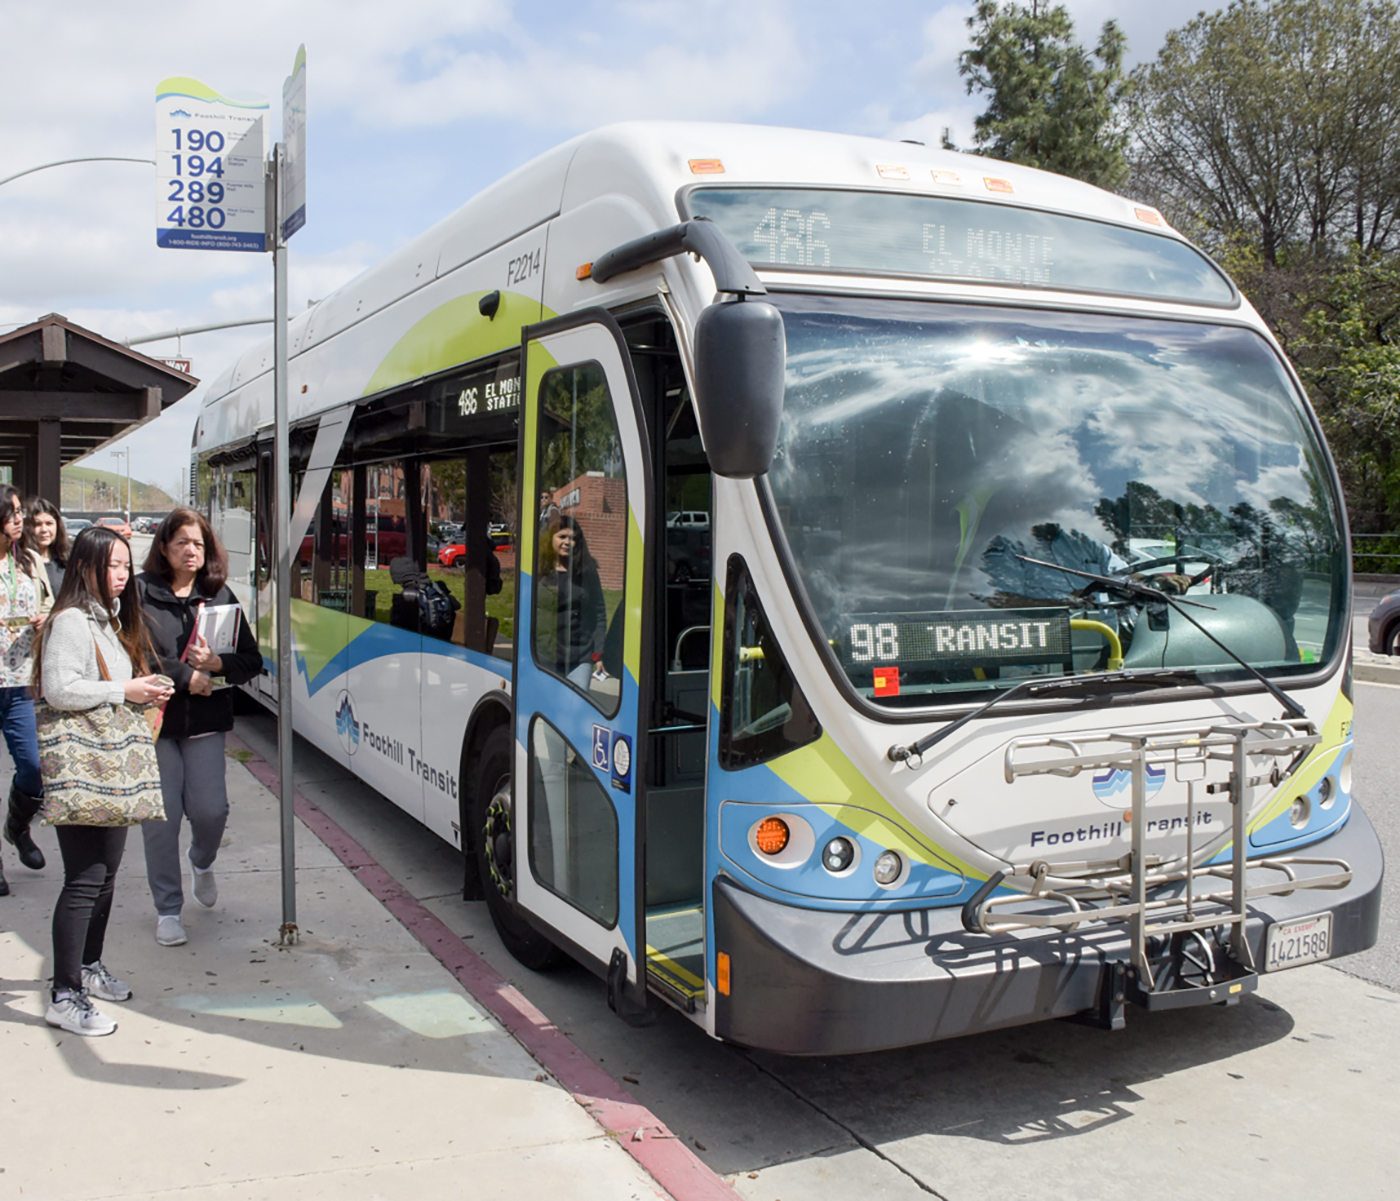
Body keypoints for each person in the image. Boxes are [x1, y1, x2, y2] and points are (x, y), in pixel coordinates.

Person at [34, 527, 172, 1035]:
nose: (122, 575)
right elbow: (58, 688)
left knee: (105, 877)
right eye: (112, 565)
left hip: (108, 770)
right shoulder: (71, 620)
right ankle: (65, 992)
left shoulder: (107, 619)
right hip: (86, 767)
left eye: (125, 565)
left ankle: (88, 968)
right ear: (86, 566)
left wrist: (143, 690)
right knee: (85, 879)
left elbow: (105, 687)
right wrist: (124, 689)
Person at [137, 508, 261, 947]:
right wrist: (185, 675)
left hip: (206, 723)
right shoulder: (142, 593)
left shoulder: (220, 596)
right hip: (156, 723)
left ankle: (202, 859)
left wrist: (217, 664)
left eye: (198, 544)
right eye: (181, 543)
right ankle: (168, 909)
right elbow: (138, 652)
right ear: (164, 549)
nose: (191, 551)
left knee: (212, 811)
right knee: (162, 819)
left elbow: (251, 661)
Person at [0, 484, 47, 889]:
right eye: (12, 512)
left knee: (34, 768)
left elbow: (49, 603)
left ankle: (17, 826)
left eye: (20, 512)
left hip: (20, 684)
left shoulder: (29, 561)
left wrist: (43, 619)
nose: (20, 518)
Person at [539, 515, 606, 689]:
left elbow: (599, 613)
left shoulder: (587, 572)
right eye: (562, 536)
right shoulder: (538, 570)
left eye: (573, 538)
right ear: (551, 538)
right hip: (544, 656)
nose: (568, 542)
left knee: (576, 708)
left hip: (579, 656)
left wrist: (598, 653)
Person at [25, 496, 68, 602]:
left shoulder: (66, 560)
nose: (44, 530)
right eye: (37, 524)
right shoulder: (20, 561)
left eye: (49, 523)